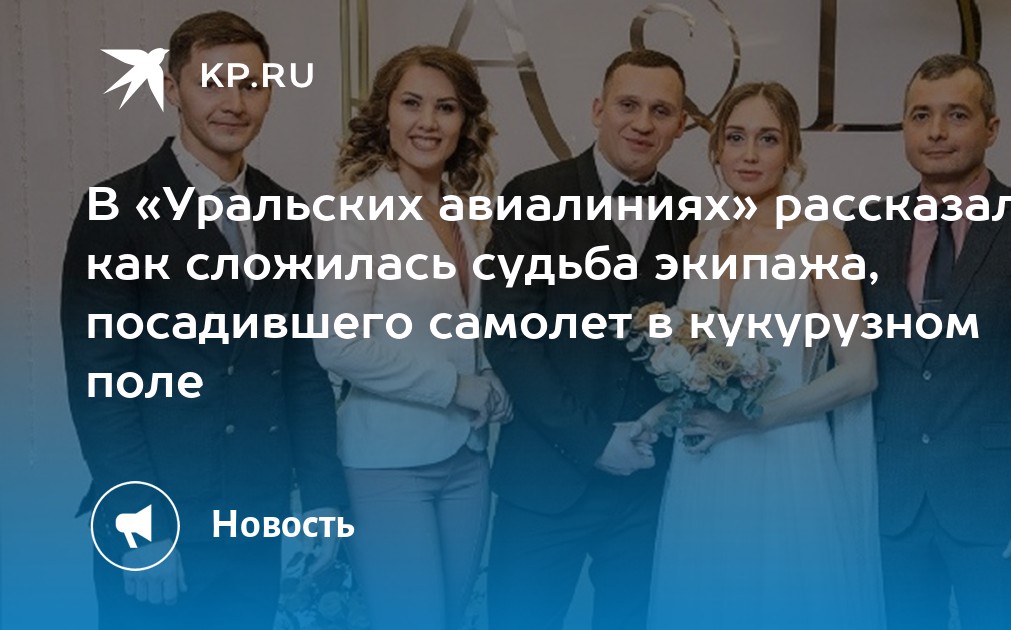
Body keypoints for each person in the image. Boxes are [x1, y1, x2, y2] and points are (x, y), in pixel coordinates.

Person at [60, 11, 346, 629]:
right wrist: (139, 526)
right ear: (172, 87)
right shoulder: (115, 209)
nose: (233, 102)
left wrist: (323, 500)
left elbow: (301, 368)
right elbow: (100, 383)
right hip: (159, 525)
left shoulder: (287, 213)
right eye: (212, 83)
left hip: (257, 519)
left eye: (251, 85)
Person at [844, 54, 1011, 630]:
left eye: (956, 115)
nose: (936, 131)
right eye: (921, 116)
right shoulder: (862, 230)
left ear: (992, 128)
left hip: (1007, 515)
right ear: (905, 128)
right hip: (889, 510)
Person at [644, 82, 884, 629]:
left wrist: (751, 419)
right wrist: (661, 413)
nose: (749, 154)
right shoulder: (703, 242)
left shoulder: (822, 240)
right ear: (716, 149)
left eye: (768, 139)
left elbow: (860, 372)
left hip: (786, 460)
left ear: (792, 150)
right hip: (704, 464)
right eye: (735, 138)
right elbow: (694, 357)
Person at [481, 49, 697, 630]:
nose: (643, 123)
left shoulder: (692, 218)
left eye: (661, 111)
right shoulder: (531, 194)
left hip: (647, 491)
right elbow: (509, 339)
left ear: (680, 125)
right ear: (599, 109)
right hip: (544, 482)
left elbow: (695, 342)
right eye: (628, 105)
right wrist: (595, 440)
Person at [313, 45, 511, 630]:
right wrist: (455, 386)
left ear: (465, 121)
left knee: (450, 617)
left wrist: (488, 371)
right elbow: (338, 343)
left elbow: (462, 325)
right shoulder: (356, 211)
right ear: (385, 114)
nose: (428, 122)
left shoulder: (463, 211)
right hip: (387, 461)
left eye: (446, 107)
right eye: (412, 104)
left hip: (468, 457)